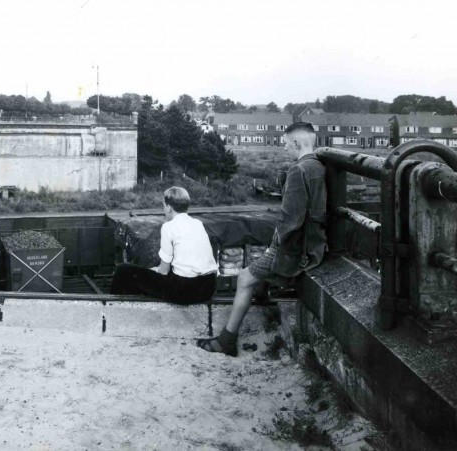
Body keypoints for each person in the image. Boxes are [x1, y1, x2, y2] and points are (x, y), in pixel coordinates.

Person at [197, 121, 327, 356]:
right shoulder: (319, 166)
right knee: (256, 277)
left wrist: (273, 249)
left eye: (286, 144)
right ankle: (261, 300)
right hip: (314, 245)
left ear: (297, 142)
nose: (285, 149)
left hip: (297, 250)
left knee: (244, 277)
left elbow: (290, 220)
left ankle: (227, 339)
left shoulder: (298, 170)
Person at [110, 186, 219, 304]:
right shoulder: (198, 223)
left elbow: (163, 271)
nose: (164, 210)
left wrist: (152, 270)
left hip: (187, 290)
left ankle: (111, 308)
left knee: (123, 270)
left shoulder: (168, 226)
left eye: (164, 206)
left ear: (169, 208)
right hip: (209, 286)